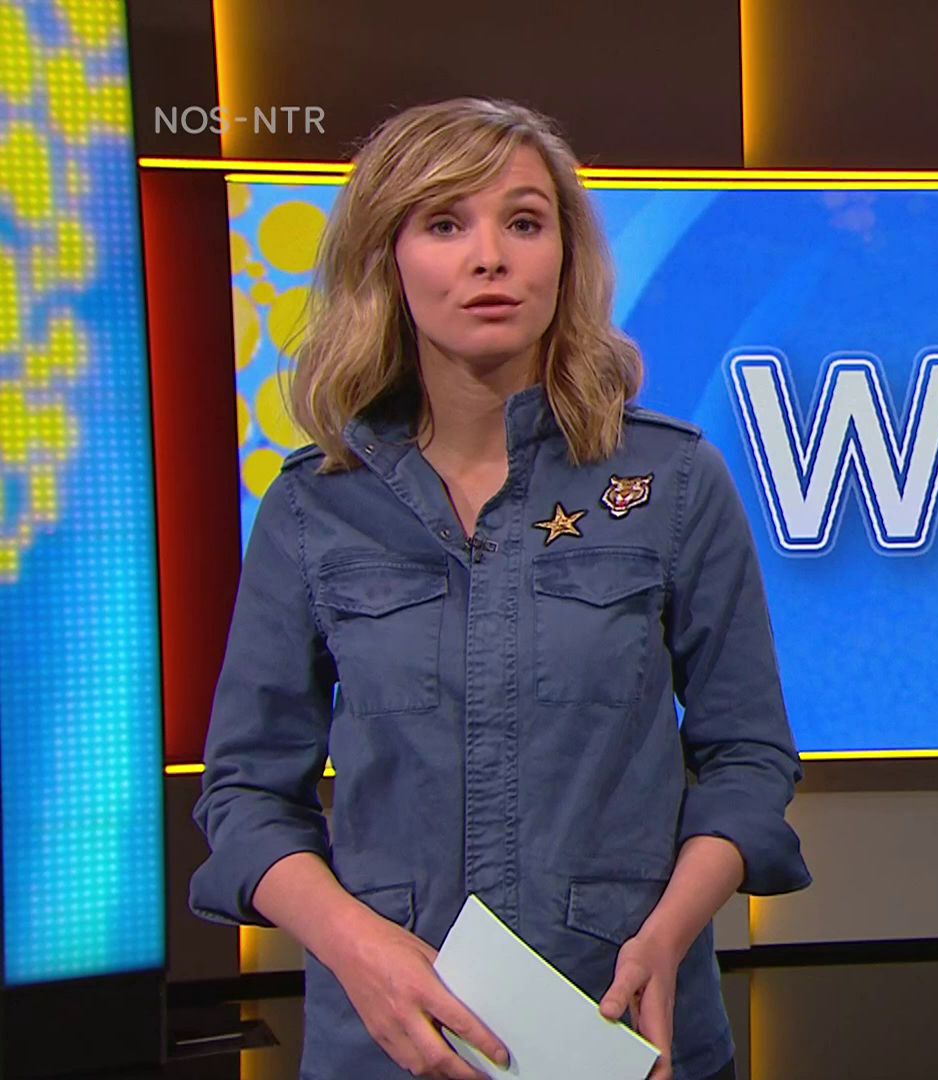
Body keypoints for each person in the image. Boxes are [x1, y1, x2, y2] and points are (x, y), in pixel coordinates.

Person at [190, 97, 809, 1080]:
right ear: (387, 258)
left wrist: (669, 932)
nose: (490, 257)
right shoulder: (313, 509)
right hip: (389, 1045)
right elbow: (246, 794)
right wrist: (356, 947)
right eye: (445, 224)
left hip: (622, 1030)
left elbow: (748, 756)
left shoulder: (674, 483)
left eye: (523, 222)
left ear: (565, 256)